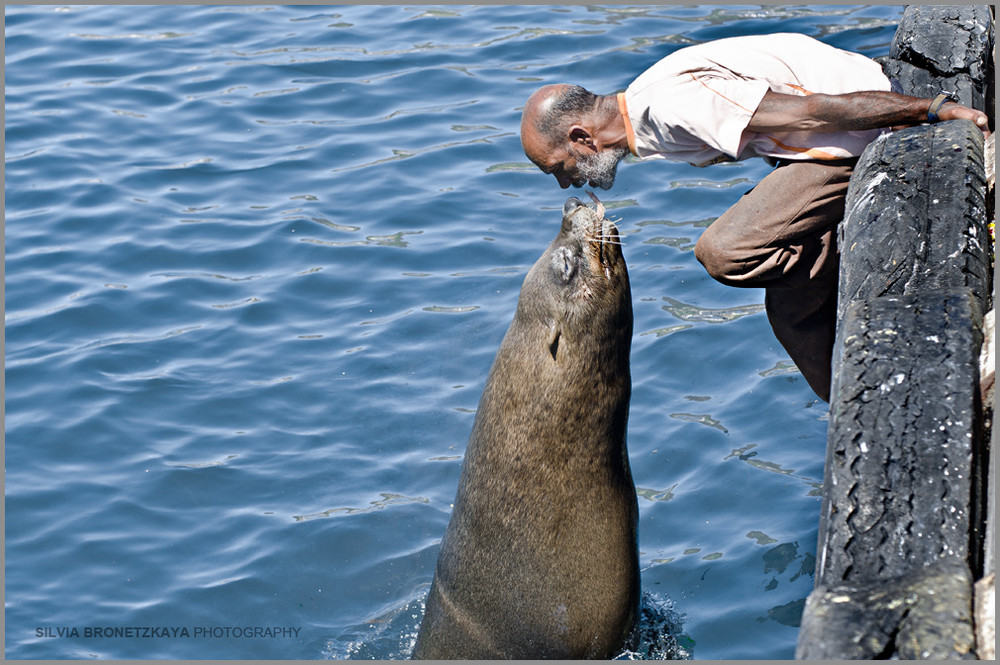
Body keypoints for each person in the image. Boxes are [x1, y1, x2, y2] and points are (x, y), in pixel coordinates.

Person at [520, 33, 990, 401]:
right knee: (790, 314)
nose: (566, 183)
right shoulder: (645, 111)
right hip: (825, 143)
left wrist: (932, 110)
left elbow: (809, 112)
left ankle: (836, 253)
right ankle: (866, 417)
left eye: (557, 168)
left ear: (581, 137)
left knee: (723, 251)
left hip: (863, 129)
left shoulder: (666, 107)